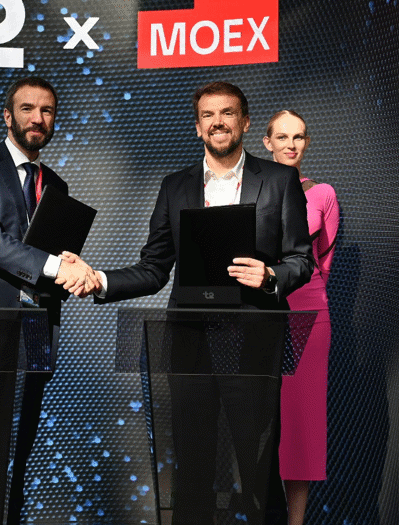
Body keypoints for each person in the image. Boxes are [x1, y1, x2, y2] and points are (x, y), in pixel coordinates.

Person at [61, 82, 313, 524]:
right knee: (192, 469)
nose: (218, 122)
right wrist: (99, 280)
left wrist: (271, 275)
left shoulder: (279, 180)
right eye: (208, 115)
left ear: (245, 122)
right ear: (197, 128)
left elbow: (301, 260)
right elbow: (154, 267)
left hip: (254, 342)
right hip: (188, 342)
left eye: (227, 113)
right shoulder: (175, 186)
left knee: (257, 468)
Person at [0, 76, 95, 525]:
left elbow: (54, 259)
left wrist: (74, 269)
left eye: (46, 111)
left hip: (33, 334)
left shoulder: (57, 185)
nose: (37, 118)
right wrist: (58, 266)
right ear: (8, 116)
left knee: (12, 456)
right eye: (27, 109)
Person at [262, 110, 336, 525]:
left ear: (307, 143)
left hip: (308, 313)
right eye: (283, 137)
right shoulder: (252, 190)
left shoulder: (322, 194)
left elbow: (323, 262)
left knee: (301, 426)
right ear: (267, 142)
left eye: (299, 137)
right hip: (258, 311)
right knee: (255, 419)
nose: (291, 144)